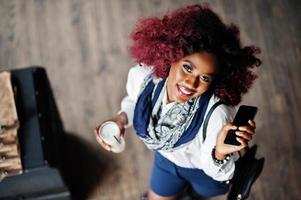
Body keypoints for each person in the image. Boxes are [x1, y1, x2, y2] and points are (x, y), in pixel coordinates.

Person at [95, 4, 261, 200]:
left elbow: (217, 171)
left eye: (205, 78)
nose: (191, 83)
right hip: (165, 161)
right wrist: (120, 119)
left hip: (204, 174)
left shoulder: (217, 114)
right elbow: (135, 102)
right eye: (188, 68)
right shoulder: (144, 76)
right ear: (172, 56)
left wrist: (219, 152)